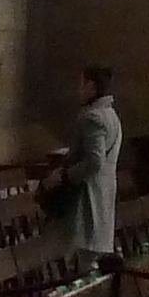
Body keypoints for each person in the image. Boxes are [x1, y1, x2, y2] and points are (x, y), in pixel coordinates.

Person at [48, 60, 122, 253]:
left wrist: (64, 176)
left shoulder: (92, 118)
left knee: (83, 256)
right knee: (92, 255)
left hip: (88, 198)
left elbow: (94, 161)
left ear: (90, 85)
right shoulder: (110, 115)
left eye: (81, 83)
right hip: (103, 194)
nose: (78, 89)